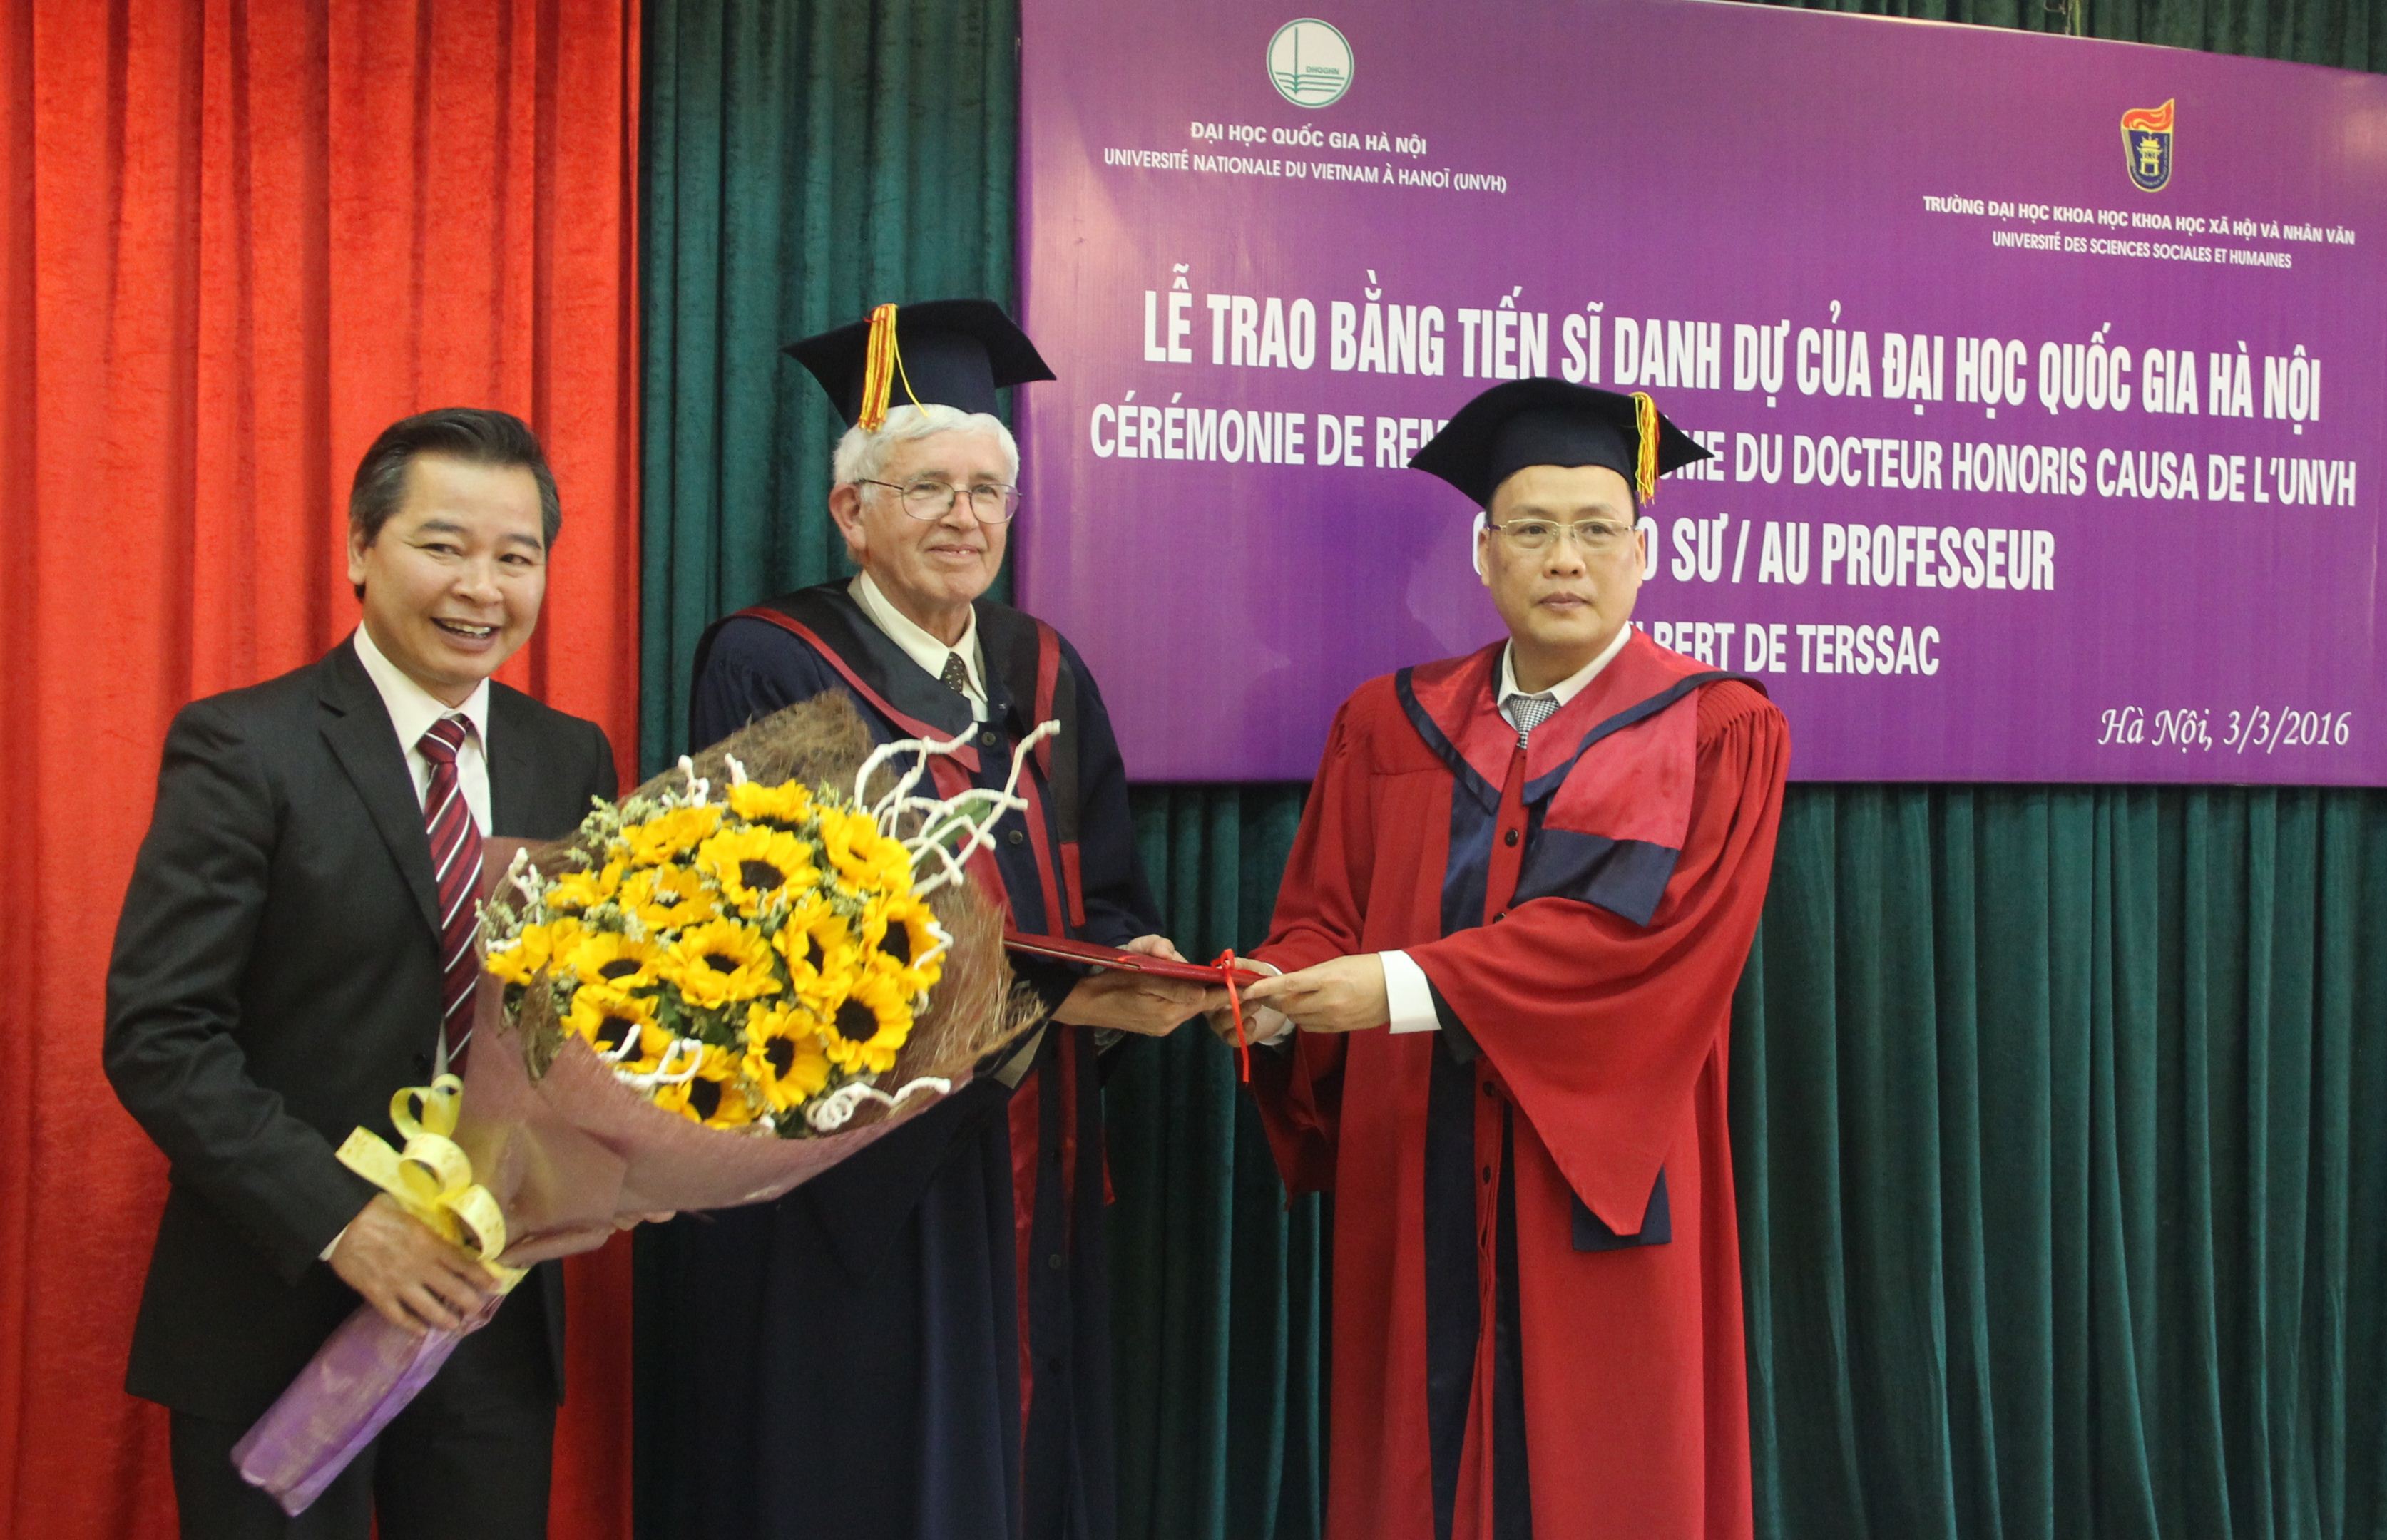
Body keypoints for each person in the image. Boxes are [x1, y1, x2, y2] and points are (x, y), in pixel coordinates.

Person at [640, 299, 1206, 1540]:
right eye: (929, 489)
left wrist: (1138, 964)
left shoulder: (1045, 670)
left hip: (1037, 1136)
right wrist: (1028, 997)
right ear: (852, 512)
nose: (964, 518)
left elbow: (1110, 890)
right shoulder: (772, 660)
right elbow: (779, 941)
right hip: (875, 1166)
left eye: (987, 492)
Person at [1227, 379, 1791, 1540]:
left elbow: (1648, 956)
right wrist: (1276, 998)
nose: (1565, 559)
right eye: (1532, 529)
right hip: (1416, 1164)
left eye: (1596, 530)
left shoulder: (1716, 729)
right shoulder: (1389, 725)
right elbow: (1322, 916)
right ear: (1484, 554)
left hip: (1596, 1183)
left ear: (1646, 554)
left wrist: (1398, 987)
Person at [103, 409, 618, 1539]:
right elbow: (160, 1035)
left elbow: (581, 1013)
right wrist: (347, 1222)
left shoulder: (568, 754)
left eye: (516, 556)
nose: (481, 587)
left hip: (488, 1318)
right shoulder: (246, 747)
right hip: (277, 1309)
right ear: (359, 549)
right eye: (444, 546)